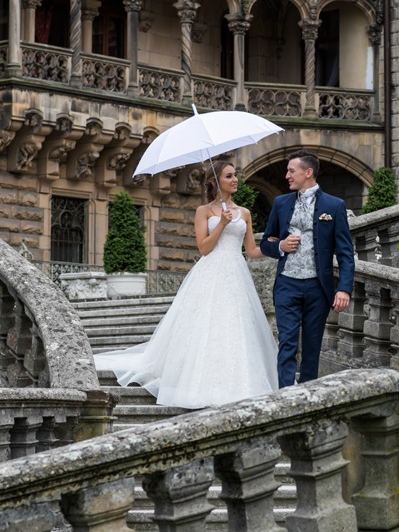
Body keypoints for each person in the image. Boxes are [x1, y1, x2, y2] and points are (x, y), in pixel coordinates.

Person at [94, 161, 278, 408]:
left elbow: (252, 250)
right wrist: (221, 224)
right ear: (215, 181)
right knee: (206, 325)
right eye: (229, 175)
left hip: (236, 274)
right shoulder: (204, 211)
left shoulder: (244, 213)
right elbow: (204, 248)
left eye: (236, 175)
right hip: (211, 271)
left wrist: (276, 247)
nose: (235, 179)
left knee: (237, 324)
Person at [260, 149, 356, 387]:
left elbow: (345, 253)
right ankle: (285, 395)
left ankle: (307, 396)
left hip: (318, 286)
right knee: (288, 342)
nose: (287, 176)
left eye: (291, 171)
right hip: (287, 284)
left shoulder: (334, 206)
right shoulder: (281, 203)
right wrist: (280, 245)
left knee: (312, 345)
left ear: (308, 172)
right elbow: (265, 243)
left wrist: (344, 289)